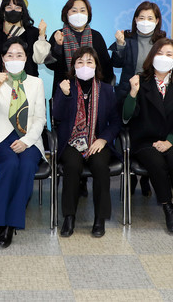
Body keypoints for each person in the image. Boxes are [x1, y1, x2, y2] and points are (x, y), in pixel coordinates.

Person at [0, 38, 47, 248]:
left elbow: (40, 118)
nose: (14, 59)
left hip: (30, 138)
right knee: (10, 164)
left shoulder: (36, 82)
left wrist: (26, 141)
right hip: (2, 137)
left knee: (26, 165)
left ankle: (10, 225)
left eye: (19, 55)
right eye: (10, 55)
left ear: (26, 58)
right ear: (3, 58)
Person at [123, 38, 173, 234]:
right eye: (159, 53)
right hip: (146, 140)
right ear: (152, 56)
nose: (163, 57)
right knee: (156, 163)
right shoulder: (140, 81)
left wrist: (169, 141)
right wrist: (133, 93)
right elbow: (127, 116)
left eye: (169, 54)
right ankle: (168, 208)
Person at [53, 47, 121, 238]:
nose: (85, 66)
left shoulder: (106, 90)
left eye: (89, 62)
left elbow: (116, 121)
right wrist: (64, 94)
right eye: (80, 62)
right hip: (72, 141)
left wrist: (103, 139)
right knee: (72, 166)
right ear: (73, 66)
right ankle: (69, 217)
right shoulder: (66, 86)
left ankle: (100, 218)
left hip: (97, 140)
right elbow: (57, 116)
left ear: (96, 66)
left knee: (100, 166)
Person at [109, 1, 166, 197]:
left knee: (149, 133)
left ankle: (145, 177)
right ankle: (131, 176)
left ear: (157, 21)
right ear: (135, 19)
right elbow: (116, 63)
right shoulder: (127, 38)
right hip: (128, 92)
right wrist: (120, 45)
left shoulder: (162, 41)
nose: (145, 21)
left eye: (150, 18)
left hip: (152, 95)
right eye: (141, 17)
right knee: (129, 133)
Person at [47, 0, 113, 96]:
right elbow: (51, 65)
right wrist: (58, 46)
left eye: (82, 10)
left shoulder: (96, 36)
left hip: (93, 92)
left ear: (88, 14)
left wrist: (104, 91)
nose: (78, 14)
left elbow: (106, 67)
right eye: (74, 11)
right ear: (66, 14)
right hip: (65, 90)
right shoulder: (59, 35)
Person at [0, 0, 50, 82]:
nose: (13, 11)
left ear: (22, 11)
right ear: (3, 11)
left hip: (28, 85)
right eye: (9, 7)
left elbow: (40, 60)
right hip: (1, 85)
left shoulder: (33, 33)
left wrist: (41, 36)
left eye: (17, 8)